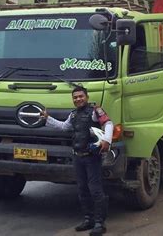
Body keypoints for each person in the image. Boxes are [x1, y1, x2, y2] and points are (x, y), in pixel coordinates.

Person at [41, 86, 113, 236]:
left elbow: (108, 123)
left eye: (80, 96)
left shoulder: (95, 111)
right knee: (82, 189)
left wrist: (107, 140)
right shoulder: (73, 115)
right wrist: (48, 118)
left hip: (92, 157)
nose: (78, 99)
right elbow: (63, 127)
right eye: (75, 97)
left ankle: (100, 223)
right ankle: (88, 220)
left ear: (86, 97)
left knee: (95, 190)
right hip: (78, 157)